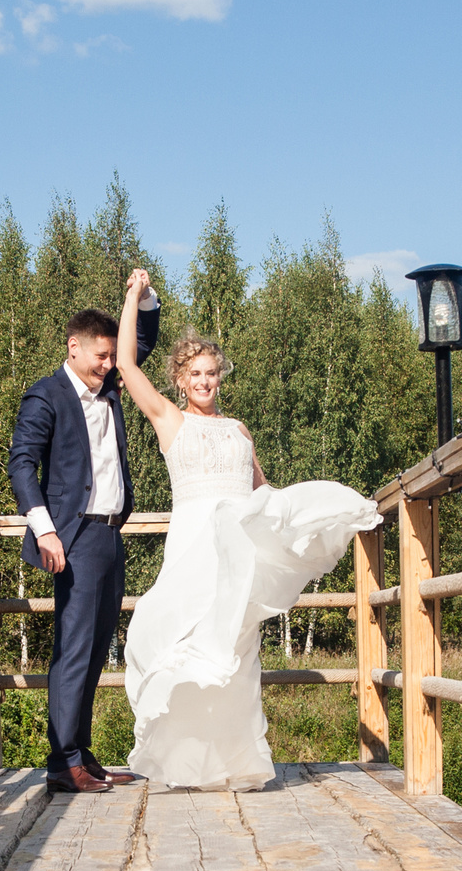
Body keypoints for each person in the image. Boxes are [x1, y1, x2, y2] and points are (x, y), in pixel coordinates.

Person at [112, 269, 379, 790]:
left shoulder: (238, 430)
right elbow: (124, 363)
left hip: (237, 550)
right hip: (194, 545)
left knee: (235, 654)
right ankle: (182, 763)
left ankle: (236, 765)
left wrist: (304, 520)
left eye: (212, 373)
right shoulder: (169, 419)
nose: (206, 382)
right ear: (181, 380)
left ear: (219, 376)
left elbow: (263, 492)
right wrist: (132, 297)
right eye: (196, 375)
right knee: (180, 643)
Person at [7, 281, 158, 793]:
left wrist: (145, 300)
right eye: (101, 355)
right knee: (74, 650)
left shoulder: (110, 386)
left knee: (96, 650)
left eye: (112, 355)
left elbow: (143, 346)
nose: (108, 363)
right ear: (74, 348)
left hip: (111, 535)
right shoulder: (45, 396)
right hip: (72, 539)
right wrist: (44, 530)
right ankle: (61, 762)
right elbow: (22, 466)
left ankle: (82, 753)